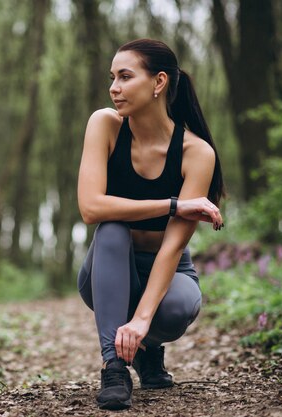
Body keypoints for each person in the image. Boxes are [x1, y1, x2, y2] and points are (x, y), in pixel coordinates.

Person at [76, 38, 225, 410]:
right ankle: (114, 367)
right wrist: (175, 204)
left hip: (167, 266)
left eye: (125, 77)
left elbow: (173, 248)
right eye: (112, 77)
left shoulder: (196, 153)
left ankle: (147, 348)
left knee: (177, 308)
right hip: (106, 268)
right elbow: (91, 208)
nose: (114, 87)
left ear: (158, 83)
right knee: (111, 228)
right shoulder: (105, 125)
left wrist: (142, 321)